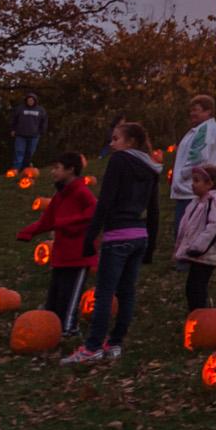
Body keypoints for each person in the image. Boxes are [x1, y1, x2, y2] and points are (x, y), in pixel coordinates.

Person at [65, 122, 160, 363]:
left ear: (130, 142)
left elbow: (105, 201)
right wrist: (151, 246)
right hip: (139, 235)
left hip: (117, 235)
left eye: (116, 139)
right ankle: (115, 343)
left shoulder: (119, 161)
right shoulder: (151, 167)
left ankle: (93, 347)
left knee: (105, 293)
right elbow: (154, 209)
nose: (111, 143)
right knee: (126, 293)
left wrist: (90, 237)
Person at [18, 152, 97, 338]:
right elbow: (48, 221)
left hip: (79, 255)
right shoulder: (59, 197)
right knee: (55, 296)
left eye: (57, 168)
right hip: (61, 254)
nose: (53, 171)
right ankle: (52, 328)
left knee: (69, 296)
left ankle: (69, 329)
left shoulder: (82, 193)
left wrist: (65, 223)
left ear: (70, 170)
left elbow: (92, 216)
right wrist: (28, 232)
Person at [172, 163, 216, 313]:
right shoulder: (198, 202)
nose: (192, 184)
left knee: (194, 286)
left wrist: (199, 247)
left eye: (196, 180)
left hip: (206, 253)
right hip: (197, 253)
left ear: (209, 184)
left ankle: (200, 316)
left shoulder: (215, 202)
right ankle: (203, 311)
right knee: (196, 285)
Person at [172, 95, 216, 244]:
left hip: (191, 188)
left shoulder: (206, 130)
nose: (192, 114)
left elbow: (198, 156)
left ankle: (186, 261)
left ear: (208, 111)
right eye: (191, 110)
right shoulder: (203, 129)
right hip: (192, 186)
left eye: (196, 110)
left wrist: (183, 175)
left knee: (186, 227)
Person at [8, 93, 48, 173]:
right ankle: (16, 169)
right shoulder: (20, 109)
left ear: (35, 101)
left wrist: (41, 132)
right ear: (26, 100)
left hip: (34, 136)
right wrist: (12, 129)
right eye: (28, 100)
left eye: (32, 100)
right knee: (19, 152)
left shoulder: (40, 110)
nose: (30, 101)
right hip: (20, 135)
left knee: (29, 153)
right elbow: (13, 119)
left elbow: (44, 122)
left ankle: (25, 169)